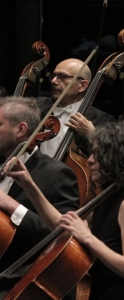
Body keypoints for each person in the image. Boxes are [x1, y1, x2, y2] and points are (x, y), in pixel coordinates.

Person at [4, 122, 124, 300]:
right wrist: (28, 184)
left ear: (117, 157)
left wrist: (87, 237)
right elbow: (61, 227)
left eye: (97, 153)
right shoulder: (107, 199)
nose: (90, 159)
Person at [0, 96, 79, 298]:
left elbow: (63, 236)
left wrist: (13, 207)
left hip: (20, 279)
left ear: (20, 129)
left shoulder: (57, 173)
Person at [37, 58, 115, 157]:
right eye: (53, 76)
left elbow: (112, 157)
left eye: (62, 76)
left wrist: (92, 133)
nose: (53, 81)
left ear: (82, 85)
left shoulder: (103, 120)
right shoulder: (36, 107)